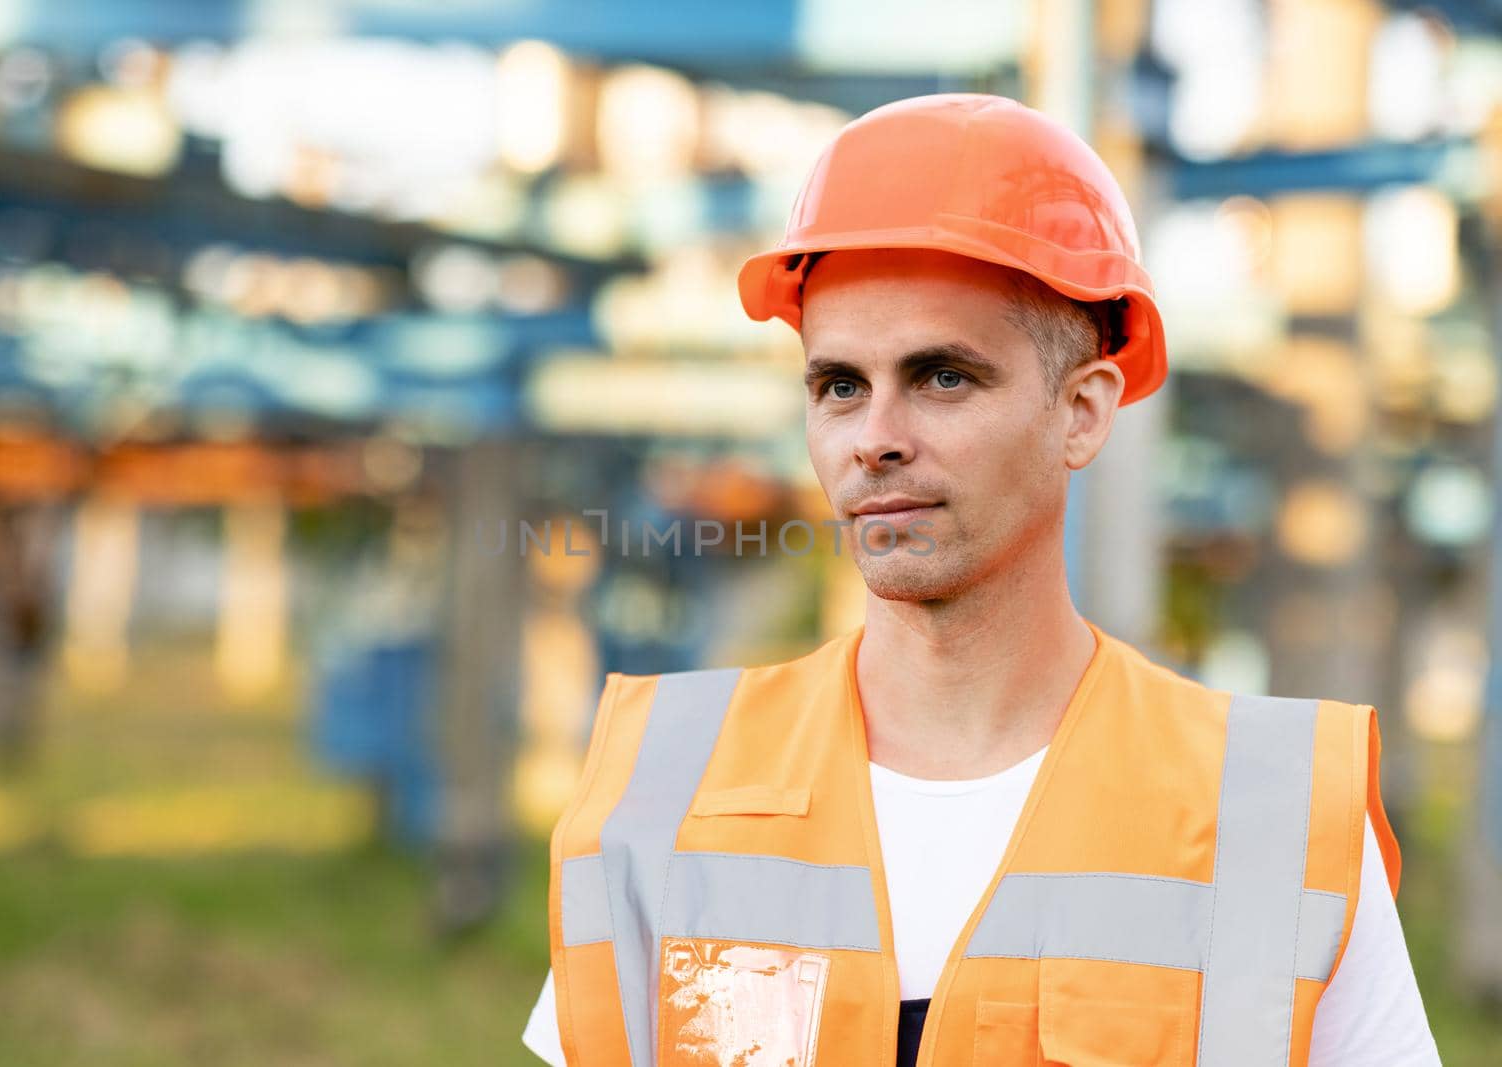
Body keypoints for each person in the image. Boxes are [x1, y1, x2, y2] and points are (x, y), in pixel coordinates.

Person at [523, 94, 1440, 1066]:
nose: (873, 438)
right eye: (839, 385)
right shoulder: (665, 783)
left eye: (941, 377)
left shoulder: (1274, 817)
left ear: (1083, 412)